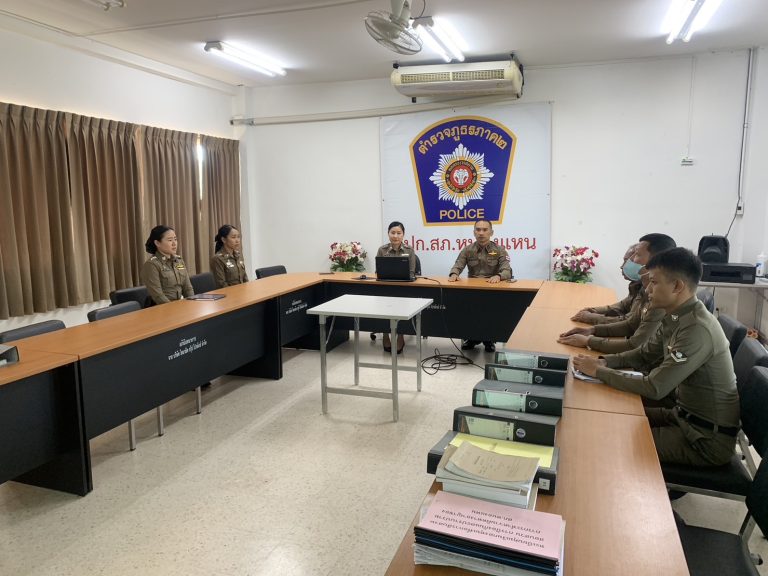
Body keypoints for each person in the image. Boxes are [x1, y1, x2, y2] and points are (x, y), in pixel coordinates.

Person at [573, 248, 739, 466]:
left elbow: (655, 387)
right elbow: (643, 354)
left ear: (677, 286)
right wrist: (604, 361)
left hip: (704, 439)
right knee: (607, 417)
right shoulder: (677, 316)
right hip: (681, 416)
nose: (647, 289)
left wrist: (598, 371)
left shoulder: (697, 329)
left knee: (611, 440)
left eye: (654, 282)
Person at [571, 233, 677, 325]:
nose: (625, 265)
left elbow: (630, 324)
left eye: (637, 255)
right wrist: (593, 311)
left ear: (655, 259)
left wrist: (592, 320)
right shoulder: (639, 284)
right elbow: (624, 307)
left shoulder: (659, 294)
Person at [558, 265, 665, 353]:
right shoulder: (644, 291)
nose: (647, 290)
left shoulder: (659, 307)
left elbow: (634, 345)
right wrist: (592, 330)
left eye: (654, 282)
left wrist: (589, 341)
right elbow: (629, 324)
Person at [448, 219, 512, 352]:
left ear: (491, 232)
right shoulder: (468, 250)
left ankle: (489, 339)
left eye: (485, 230)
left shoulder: (499, 250)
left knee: (490, 311)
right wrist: (454, 274)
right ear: (474, 232)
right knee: (468, 311)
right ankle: (472, 338)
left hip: (492, 290)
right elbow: (458, 265)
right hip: (473, 291)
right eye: (478, 230)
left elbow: (507, 270)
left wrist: (499, 276)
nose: (481, 233)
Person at [376, 221, 418, 353]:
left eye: (399, 233)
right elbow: (378, 271)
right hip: (385, 286)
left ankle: (401, 336)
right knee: (382, 303)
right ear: (388, 234)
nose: (395, 236)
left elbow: (411, 272)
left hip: (403, 287)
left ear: (403, 234)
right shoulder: (382, 250)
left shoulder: (409, 250)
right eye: (392, 233)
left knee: (402, 303)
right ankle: (385, 335)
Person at [141, 225, 194, 305]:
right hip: (161, 308)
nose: (174, 243)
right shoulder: (151, 265)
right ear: (157, 243)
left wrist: (192, 304)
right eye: (170, 240)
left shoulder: (179, 260)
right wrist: (174, 309)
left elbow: (188, 288)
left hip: (179, 305)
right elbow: (159, 296)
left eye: (175, 239)